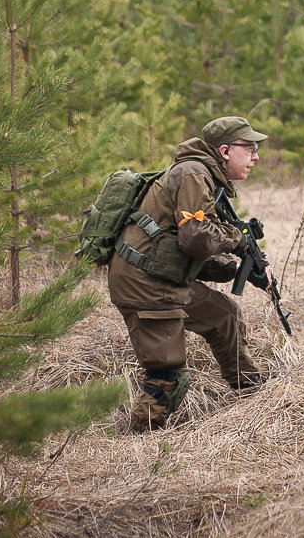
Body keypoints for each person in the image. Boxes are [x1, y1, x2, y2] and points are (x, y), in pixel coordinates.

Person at [107, 116, 272, 431]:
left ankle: (253, 393)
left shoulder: (202, 176)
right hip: (145, 284)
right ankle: (140, 438)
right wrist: (237, 240)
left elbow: (182, 249)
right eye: (249, 148)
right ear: (224, 150)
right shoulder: (194, 174)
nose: (256, 156)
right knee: (167, 374)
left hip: (160, 276)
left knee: (223, 314)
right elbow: (195, 237)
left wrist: (240, 269)